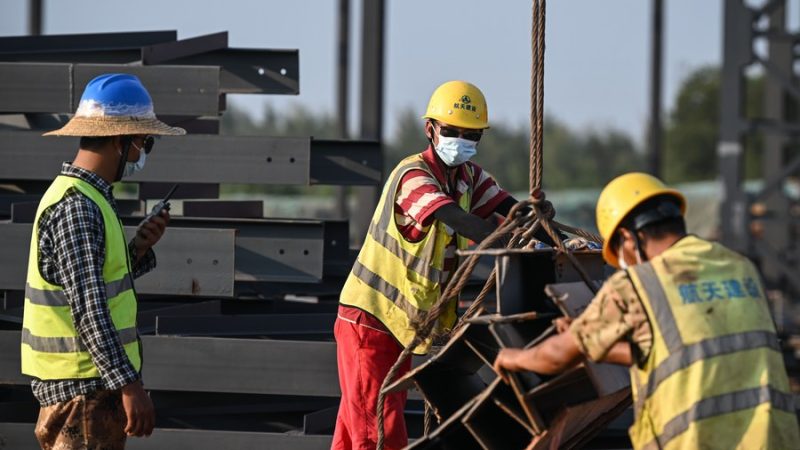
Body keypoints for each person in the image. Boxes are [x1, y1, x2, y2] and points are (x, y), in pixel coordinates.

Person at [493, 173, 800, 449]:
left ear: (628, 237)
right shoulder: (737, 267)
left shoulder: (640, 284)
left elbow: (558, 356)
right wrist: (599, 342)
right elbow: (683, 348)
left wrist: (514, 357)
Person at [332, 80, 557, 450]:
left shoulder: (468, 178)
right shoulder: (413, 176)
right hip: (370, 322)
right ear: (430, 129)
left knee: (355, 429)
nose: (461, 141)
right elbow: (462, 221)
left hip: (400, 326)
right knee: (378, 432)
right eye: (452, 132)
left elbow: (508, 208)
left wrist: (550, 234)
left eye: (471, 135)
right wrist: (514, 239)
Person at [20, 73, 186, 450]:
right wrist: (130, 386)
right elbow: (89, 311)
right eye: (145, 142)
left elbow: (95, 284)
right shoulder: (78, 207)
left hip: (89, 389)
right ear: (119, 139)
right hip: (83, 393)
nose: (144, 152)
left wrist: (138, 249)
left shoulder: (89, 198)